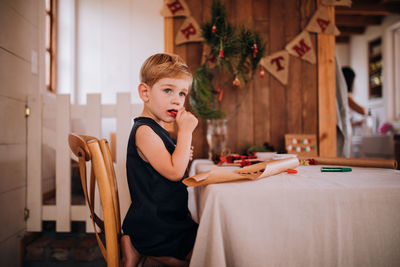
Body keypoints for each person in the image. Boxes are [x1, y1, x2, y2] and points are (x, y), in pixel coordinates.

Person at [121, 53, 198, 267]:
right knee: (196, 260)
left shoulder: (157, 130)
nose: (177, 99)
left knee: (202, 239)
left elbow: (170, 165)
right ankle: (142, 244)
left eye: (182, 93)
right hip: (156, 223)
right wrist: (186, 133)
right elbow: (175, 173)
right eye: (168, 90)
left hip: (169, 215)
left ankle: (135, 243)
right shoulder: (144, 131)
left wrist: (180, 153)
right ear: (145, 93)